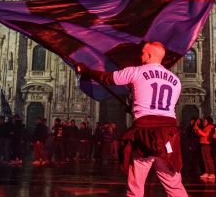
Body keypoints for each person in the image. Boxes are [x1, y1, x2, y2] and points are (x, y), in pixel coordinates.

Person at [78, 41, 187, 197]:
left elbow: (107, 78)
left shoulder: (136, 72)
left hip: (145, 133)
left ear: (149, 55)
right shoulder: (176, 81)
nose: (140, 55)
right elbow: (163, 107)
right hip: (169, 136)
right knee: (173, 182)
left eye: (143, 52)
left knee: (136, 183)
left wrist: (87, 71)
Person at [194, 116, 216, 181]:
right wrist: (196, 129)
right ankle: (207, 172)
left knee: (209, 159)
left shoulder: (210, 127)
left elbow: (205, 134)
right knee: (204, 159)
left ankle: (212, 173)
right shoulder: (205, 127)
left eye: (205, 121)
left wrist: (198, 129)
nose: (203, 122)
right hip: (203, 144)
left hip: (208, 144)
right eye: (203, 121)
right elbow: (200, 135)